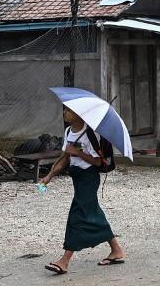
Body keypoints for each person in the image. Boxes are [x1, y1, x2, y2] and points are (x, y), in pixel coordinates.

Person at [40, 107, 125, 274]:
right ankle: (116, 250)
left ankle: (64, 261)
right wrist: (49, 177)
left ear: (79, 114)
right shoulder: (68, 132)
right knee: (93, 213)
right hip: (77, 178)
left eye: (68, 111)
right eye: (63, 110)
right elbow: (65, 158)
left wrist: (78, 153)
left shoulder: (90, 134)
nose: (64, 113)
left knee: (77, 214)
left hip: (89, 178)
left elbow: (98, 162)